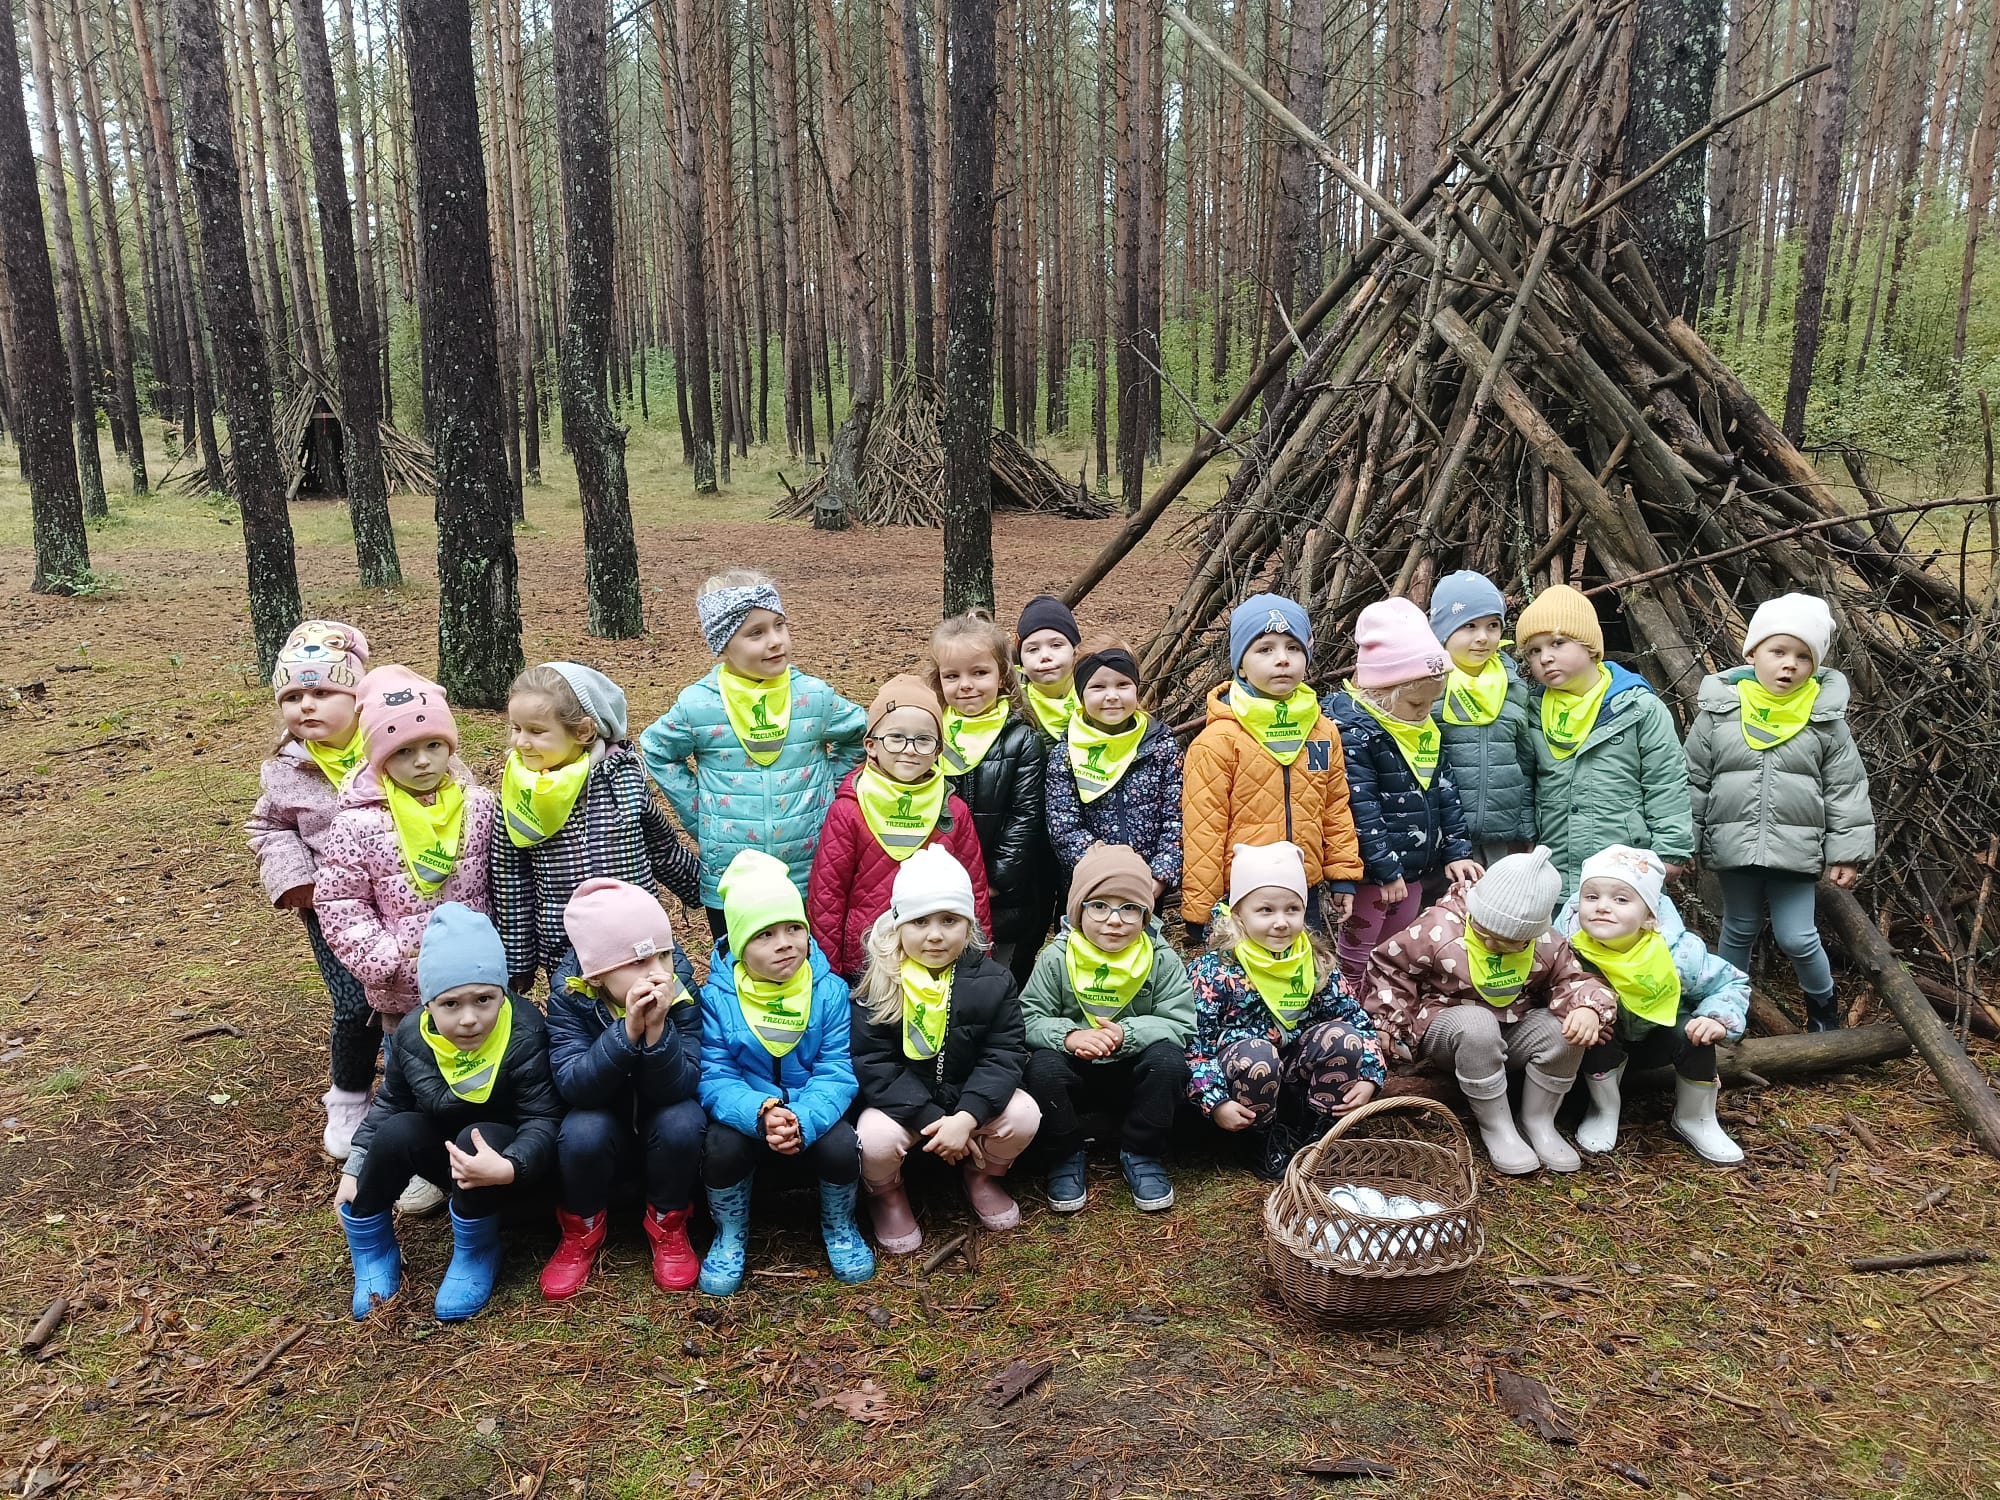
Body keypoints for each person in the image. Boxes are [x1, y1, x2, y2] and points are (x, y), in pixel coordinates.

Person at [335, 904, 560, 1321]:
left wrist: (512, 1166)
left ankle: (476, 1250)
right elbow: (391, 1102)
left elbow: (544, 1118)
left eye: (484, 1000)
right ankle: (371, 1246)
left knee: (476, 1135)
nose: (469, 1019)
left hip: (510, 1169)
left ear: (503, 993)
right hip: (449, 1161)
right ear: (428, 1005)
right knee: (398, 1130)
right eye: (451, 1004)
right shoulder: (412, 1035)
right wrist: (356, 1167)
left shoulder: (525, 1032)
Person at [640, 569, 867, 939]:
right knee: (736, 964)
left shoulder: (813, 697)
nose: (775, 641)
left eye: (779, 625)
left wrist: (831, 791)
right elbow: (658, 750)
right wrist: (701, 815)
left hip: (808, 871)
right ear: (723, 643)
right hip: (731, 876)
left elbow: (860, 734)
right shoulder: (699, 705)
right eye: (756, 633)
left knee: (807, 960)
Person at [1683, 594, 1874, 1033]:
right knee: (1738, 928)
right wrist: (1686, 840)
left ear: (1815, 665)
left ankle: (1824, 1013)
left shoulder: (1824, 720)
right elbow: (1693, 780)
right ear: (1752, 653)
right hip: (1733, 844)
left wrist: (1846, 852)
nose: (1789, 665)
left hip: (1796, 849)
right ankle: (1725, 1010)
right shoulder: (1720, 713)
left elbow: (1845, 789)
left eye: (1803, 657)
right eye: (1778, 651)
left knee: (1797, 937)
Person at [1362, 847, 1614, 1175]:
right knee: (1478, 1025)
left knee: (1562, 1029)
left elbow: (1572, 979)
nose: (1494, 945)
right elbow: (1392, 967)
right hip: (1450, 1025)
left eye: (1510, 942)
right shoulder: (1439, 927)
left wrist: (1589, 1009)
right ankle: (1497, 1125)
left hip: (1515, 1026)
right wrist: (1387, 1020)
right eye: (1487, 933)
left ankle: (1538, 1121)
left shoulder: (1547, 943)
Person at [697, 850, 873, 1294]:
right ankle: (730, 1232)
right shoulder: (717, 998)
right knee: (721, 1148)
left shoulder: (828, 991)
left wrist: (804, 1117)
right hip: (750, 1113)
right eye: (765, 934)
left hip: (811, 1109)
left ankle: (840, 1225)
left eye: (794, 928)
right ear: (740, 945)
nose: (785, 943)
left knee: (841, 1146)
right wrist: (761, 1112)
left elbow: (836, 1069)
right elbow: (715, 1075)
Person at [851, 848, 1040, 1254]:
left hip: (969, 1099)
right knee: (874, 1138)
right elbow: (873, 1062)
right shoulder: (878, 982)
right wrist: (933, 1119)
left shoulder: (995, 981)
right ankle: (887, 1194)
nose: (935, 935)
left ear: (969, 925)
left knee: (1024, 1113)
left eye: (949, 920)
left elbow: (1004, 1054)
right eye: (920, 921)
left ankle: (983, 1175)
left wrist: (968, 1116)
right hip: (904, 1107)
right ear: (898, 924)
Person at [246, 620, 380, 1160]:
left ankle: (411, 1092)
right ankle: (349, 1096)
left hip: (400, 899)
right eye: (292, 697)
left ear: (357, 698)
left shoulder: (395, 747)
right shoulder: (287, 770)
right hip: (331, 907)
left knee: (407, 999)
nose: (306, 705)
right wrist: (296, 878)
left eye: (322, 693)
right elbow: (268, 827)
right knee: (355, 1004)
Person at [539, 879, 707, 1299]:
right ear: (597, 974)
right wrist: (626, 1032)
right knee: (582, 1130)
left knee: (684, 1120)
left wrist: (657, 1033)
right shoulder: (571, 997)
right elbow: (574, 1085)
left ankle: (668, 1222)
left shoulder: (680, 991)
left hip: (657, 1124)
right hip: (606, 1123)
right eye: (638, 962)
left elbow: (682, 1083)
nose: (658, 972)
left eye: (664, 955)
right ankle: (582, 1227)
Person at [490, 663, 700, 996]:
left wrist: (705, 891)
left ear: (584, 731)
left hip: (639, 939)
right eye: (516, 728)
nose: (522, 742)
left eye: (536, 731)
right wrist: (519, 959)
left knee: (654, 1009)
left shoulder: (623, 779)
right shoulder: (518, 794)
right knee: (581, 1020)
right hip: (568, 948)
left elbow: (661, 847)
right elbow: (512, 880)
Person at [1185, 841, 1386, 1181]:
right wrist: (1215, 1101)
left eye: (1292, 909)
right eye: (1266, 910)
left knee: (1344, 1037)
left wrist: (1370, 1075)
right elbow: (1194, 1047)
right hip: (1244, 1079)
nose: (1281, 922)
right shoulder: (1215, 972)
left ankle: (1314, 1133)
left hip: (1297, 1075)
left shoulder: (1316, 962)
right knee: (1257, 1055)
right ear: (1238, 913)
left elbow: (1355, 1020)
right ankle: (1259, 1140)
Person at [1020, 843, 1194, 1214]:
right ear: (1078, 910)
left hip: (1132, 1074)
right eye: (1099, 906)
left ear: (1145, 915)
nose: (1114, 920)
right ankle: (1066, 1152)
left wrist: (1127, 1035)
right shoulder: (1057, 958)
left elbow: (1180, 1022)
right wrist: (1069, 1037)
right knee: (1043, 1067)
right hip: (1076, 1073)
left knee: (1168, 1061)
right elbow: (1029, 1017)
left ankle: (1141, 1151)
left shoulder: (1160, 958)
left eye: (1129, 908)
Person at [1182, 593, 1360, 947]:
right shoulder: (1218, 741)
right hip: (1243, 893)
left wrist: (1342, 874)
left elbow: (1335, 806)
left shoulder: (1322, 731)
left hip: (1303, 891)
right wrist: (1201, 908)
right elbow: (1203, 829)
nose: (1282, 659)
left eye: (1293, 648)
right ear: (1241, 666)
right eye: (1265, 649)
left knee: (1302, 971)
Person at [1324, 598, 1484, 993]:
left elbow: (1445, 789)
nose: (1424, 712)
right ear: (1381, 690)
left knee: (1397, 953)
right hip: (1373, 877)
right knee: (1358, 957)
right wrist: (1386, 870)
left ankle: (1388, 1014)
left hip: (1413, 871)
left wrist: (1457, 851)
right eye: (1416, 703)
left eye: (1431, 703)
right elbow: (1361, 807)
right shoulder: (1356, 733)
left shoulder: (1421, 729)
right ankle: (1351, 1016)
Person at [1556, 846, 1748, 1164]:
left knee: (1694, 1033)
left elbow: (1730, 983)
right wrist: (1578, 1010)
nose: (1602, 906)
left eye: (1621, 899)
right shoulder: (1567, 949)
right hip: (1605, 1048)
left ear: (1649, 915)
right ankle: (1603, 1110)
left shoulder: (1677, 953)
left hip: (1661, 1035)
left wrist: (1716, 1018)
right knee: (1598, 1032)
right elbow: (1547, 989)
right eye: (1591, 897)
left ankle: (1695, 1117)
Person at [808, 675, 992, 981]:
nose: (910, 749)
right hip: (868, 962)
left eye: (924, 740)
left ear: (938, 751)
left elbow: (974, 890)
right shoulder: (849, 809)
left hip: (938, 957)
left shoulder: (953, 811)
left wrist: (977, 969)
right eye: (895, 737)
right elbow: (828, 896)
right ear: (871, 746)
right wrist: (829, 975)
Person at [1513, 584, 1693, 894]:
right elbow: (1525, 783)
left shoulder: (1638, 708)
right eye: (1534, 651)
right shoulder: (1533, 712)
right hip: (1556, 870)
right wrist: (1525, 836)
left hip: (1627, 870)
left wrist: (1671, 849)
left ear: (1590, 647)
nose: (1545, 658)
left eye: (1558, 643)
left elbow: (1666, 781)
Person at [926, 611, 1056, 983]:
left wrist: (995, 879)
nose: (966, 685)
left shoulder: (1022, 739)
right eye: (952, 676)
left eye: (979, 672)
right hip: (940, 885)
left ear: (1002, 674)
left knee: (996, 978)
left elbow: (1025, 818)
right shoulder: (930, 733)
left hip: (1005, 894)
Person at [1044, 639, 1184, 903]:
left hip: (1147, 885)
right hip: (1089, 887)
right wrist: (1104, 875)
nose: (1112, 696)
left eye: (1122, 684)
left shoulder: (1161, 747)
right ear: (1081, 694)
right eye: (1098, 687)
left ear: (1136, 688)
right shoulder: (1067, 753)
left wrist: (1160, 875)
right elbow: (1064, 826)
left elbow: (1176, 818)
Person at [1428, 571, 1538, 868]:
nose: (1482, 637)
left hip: (1501, 839)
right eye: (1469, 625)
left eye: (1493, 625)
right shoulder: (1427, 687)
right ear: (1442, 631)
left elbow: (1524, 762)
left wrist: (1526, 827)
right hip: (1441, 838)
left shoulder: (1513, 686)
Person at [1015, 595, 1081, 744]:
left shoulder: (1096, 690)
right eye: (1033, 649)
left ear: (1076, 652)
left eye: (1056, 645)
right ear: (1022, 663)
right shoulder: (1011, 701)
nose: (1045, 656)